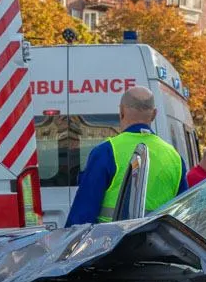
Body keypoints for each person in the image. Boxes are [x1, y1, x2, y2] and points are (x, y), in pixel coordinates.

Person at [66, 86, 188, 225]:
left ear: (121, 111)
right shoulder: (174, 157)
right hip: (158, 243)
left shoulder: (106, 151)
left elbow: (82, 215)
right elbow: (182, 214)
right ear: (154, 114)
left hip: (113, 242)